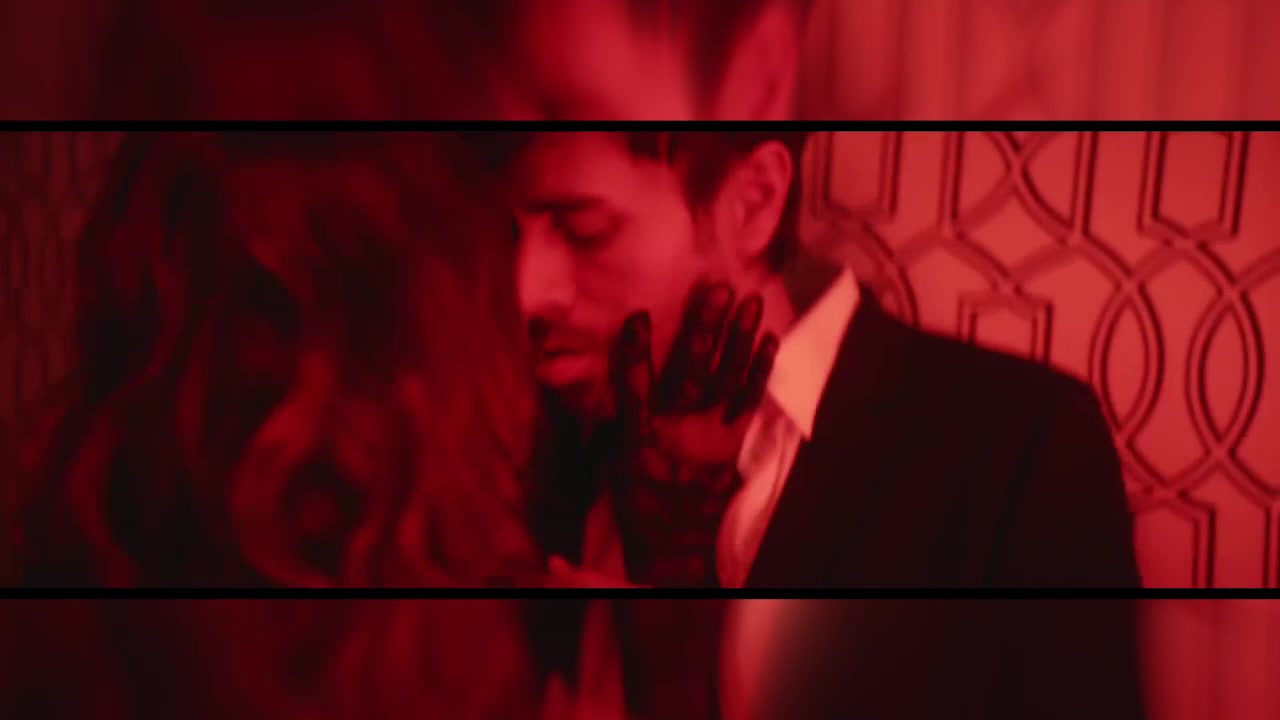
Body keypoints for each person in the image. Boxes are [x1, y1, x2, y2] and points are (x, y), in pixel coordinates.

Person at [496, 128, 1146, 718]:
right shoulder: (524, 464)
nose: (527, 292)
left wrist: (686, 659)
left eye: (583, 230)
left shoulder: (1015, 443)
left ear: (753, 201)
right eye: (510, 236)